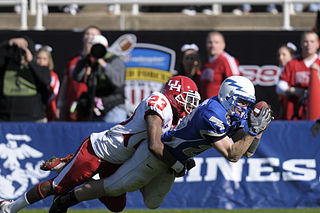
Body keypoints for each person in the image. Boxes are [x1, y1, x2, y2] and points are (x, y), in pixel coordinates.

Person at [46, 76, 272, 213]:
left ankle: (127, 175)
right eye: (242, 102)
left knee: (152, 203)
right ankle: (67, 199)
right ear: (229, 96)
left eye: (247, 104)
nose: (244, 108)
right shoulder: (212, 114)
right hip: (158, 154)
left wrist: (258, 131)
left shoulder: (232, 113)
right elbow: (233, 154)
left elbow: (248, 152)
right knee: (115, 187)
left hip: (176, 159)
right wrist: (253, 131)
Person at [0, 75, 201, 213]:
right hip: (98, 151)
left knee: (117, 206)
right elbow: (155, 146)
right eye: (189, 99)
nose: (190, 106)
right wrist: (176, 164)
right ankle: (10, 207)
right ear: (175, 93)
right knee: (56, 188)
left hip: (118, 160)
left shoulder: (173, 118)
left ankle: (72, 165)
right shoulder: (159, 103)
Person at [72, 34, 127, 122]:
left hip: (113, 109)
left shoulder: (114, 60)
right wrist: (83, 59)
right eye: (93, 46)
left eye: (98, 46)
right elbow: (77, 77)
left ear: (106, 47)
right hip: (95, 109)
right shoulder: (90, 62)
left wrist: (103, 64)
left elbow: (118, 81)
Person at [0, 36, 51, 122]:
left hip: (34, 119)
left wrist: (31, 62)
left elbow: (45, 80)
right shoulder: (5, 66)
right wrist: (9, 43)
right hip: (7, 119)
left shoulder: (40, 69)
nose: (21, 55)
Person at [56, 25, 101, 121]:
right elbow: (66, 83)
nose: (89, 37)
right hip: (73, 108)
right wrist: (60, 105)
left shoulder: (101, 61)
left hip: (92, 108)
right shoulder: (73, 60)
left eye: (93, 34)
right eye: (87, 34)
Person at [276, 31, 320, 120]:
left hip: (316, 117)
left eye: (312, 42)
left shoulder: (318, 63)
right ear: (301, 44)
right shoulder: (292, 63)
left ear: (317, 44)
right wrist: (294, 91)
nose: (308, 45)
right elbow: (280, 87)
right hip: (293, 116)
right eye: (305, 41)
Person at [200, 31, 240, 101]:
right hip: (205, 105)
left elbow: (236, 85)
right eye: (210, 42)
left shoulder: (228, 60)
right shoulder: (206, 63)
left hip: (219, 106)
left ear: (223, 45)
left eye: (216, 42)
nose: (212, 45)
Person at [35, 45, 60, 121]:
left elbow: (53, 94)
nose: (41, 61)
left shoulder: (53, 76)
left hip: (48, 111)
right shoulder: (31, 74)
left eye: (44, 59)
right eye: (38, 58)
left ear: (49, 61)